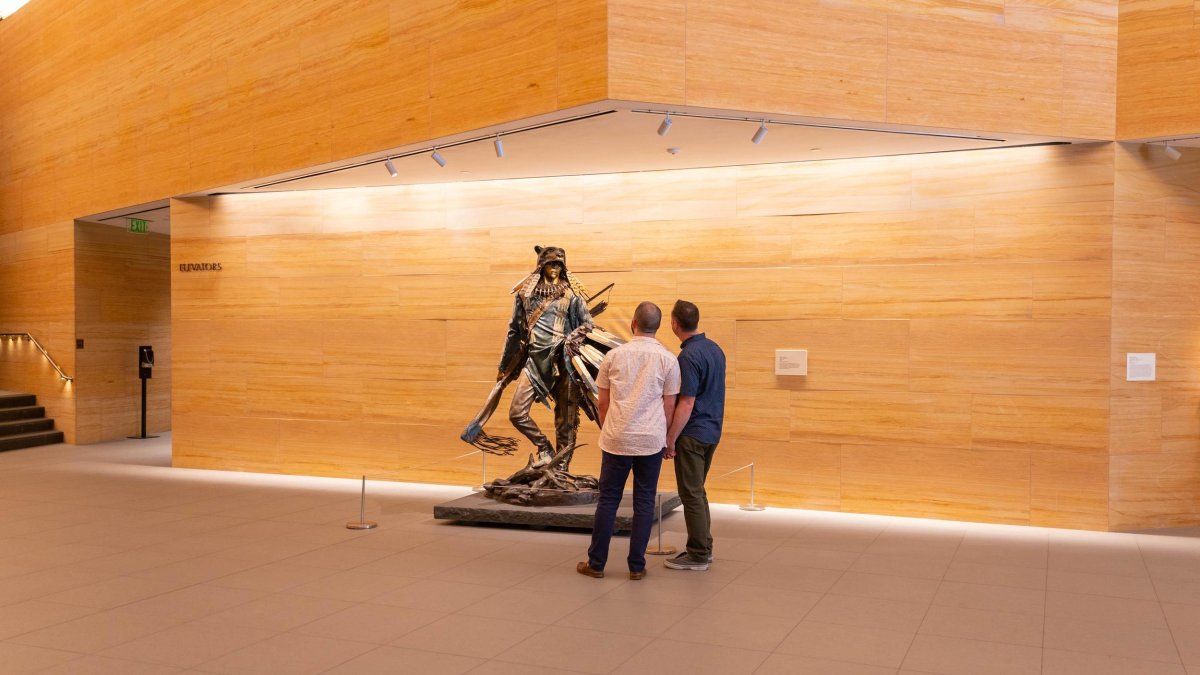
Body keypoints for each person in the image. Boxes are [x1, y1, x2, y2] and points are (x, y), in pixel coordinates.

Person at [461, 245, 593, 468]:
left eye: (559, 264)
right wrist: (504, 365)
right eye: (551, 263)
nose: (555, 268)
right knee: (517, 413)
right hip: (534, 364)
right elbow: (514, 331)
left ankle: (561, 468)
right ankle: (544, 447)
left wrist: (574, 338)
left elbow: (588, 325)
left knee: (566, 422)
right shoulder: (525, 294)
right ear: (541, 265)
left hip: (563, 364)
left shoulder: (572, 295)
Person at [577, 301, 680, 581]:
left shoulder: (614, 356)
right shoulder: (668, 359)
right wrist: (668, 439)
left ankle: (596, 563)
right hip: (650, 439)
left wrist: (608, 427)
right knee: (645, 501)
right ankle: (636, 565)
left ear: (633, 323)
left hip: (616, 438)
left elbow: (602, 402)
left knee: (608, 501)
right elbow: (669, 406)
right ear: (657, 327)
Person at [663, 299, 726, 572]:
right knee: (697, 492)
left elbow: (686, 403)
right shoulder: (715, 349)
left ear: (675, 324)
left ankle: (698, 553)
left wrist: (670, 438)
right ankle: (704, 547)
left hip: (692, 434)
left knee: (690, 494)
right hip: (712, 430)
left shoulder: (687, 357)